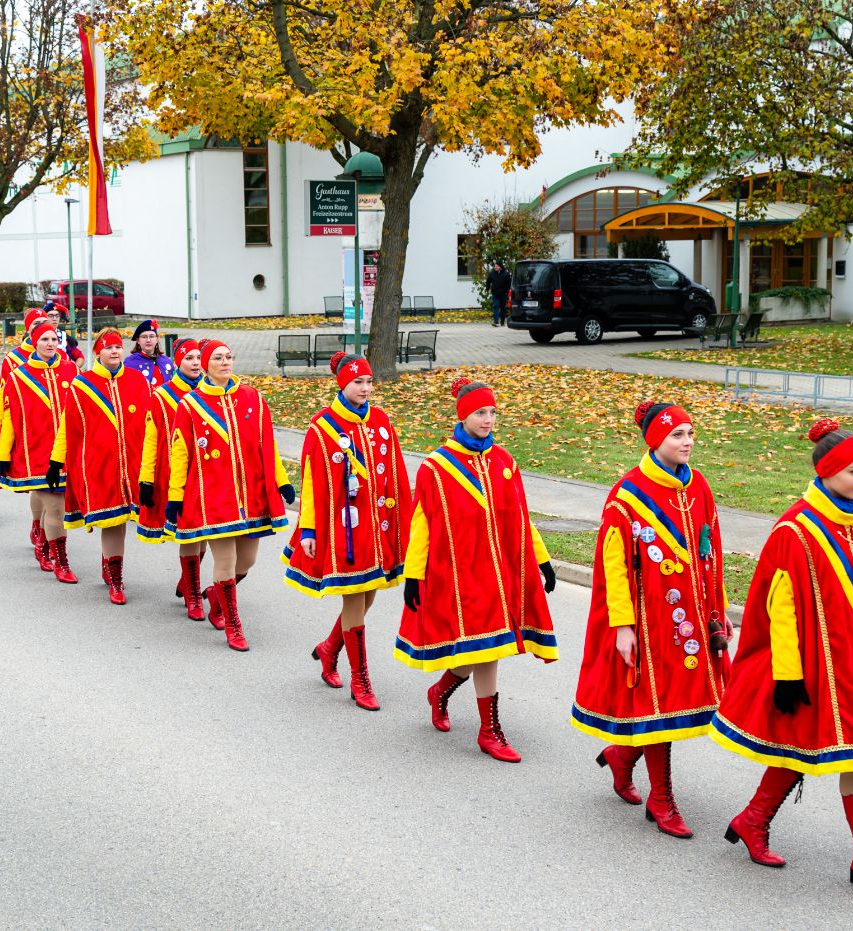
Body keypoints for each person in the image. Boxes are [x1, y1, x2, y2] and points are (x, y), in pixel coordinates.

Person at [712, 418, 853, 902]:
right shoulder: (796, 530)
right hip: (816, 667)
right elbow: (780, 608)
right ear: (827, 472)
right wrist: (787, 675)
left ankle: (753, 820)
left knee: (820, 747)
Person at [570, 401, 732, 838]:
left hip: (691, 618)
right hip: (649, 620)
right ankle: (662, 800)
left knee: (677, 702)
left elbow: (711, 550)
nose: (687, 442)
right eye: (677, 434)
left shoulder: (699, 486)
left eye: (691, 433)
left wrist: (719, 609)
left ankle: (622, 757)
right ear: (656, 439)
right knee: (659, 707)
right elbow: (614, 566)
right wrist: (623, 626)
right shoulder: (628, 495)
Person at [394, 377, 559, 762]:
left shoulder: (504, 462)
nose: (488, 419)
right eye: (480, 413)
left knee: (486, 649)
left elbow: (520, 517)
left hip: (500, 575)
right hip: (460, 576)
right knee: (484, 649)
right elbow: (422, 522)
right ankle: (488, 730)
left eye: (492, 412)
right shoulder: (437, 467)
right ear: (463, 416)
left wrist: (542, 559)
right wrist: (413, 574)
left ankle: (444, 695)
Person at [283, 352, 412, 711]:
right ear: (342, 384)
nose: (366, 388)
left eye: (369, 381)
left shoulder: (381, 420)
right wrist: (308, 529)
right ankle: (360, 678)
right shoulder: (322, 427)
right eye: (358, 382)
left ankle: (329, 649)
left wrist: (405, 519)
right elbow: (311, 482)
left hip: (379, 526)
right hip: (346, 531)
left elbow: (396, 473)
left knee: (368, 596)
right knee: (355, 598)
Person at [164, 339, 291, 649]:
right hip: (213, 497)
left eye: (229, 357)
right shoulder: (190, 404)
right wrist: (175, 495)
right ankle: (233, 623)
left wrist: (282, 481)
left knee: (247, 560)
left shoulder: (253, 398)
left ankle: (216, 595)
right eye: (218, 358)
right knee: (226, 559)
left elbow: (267, 444)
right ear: (206, 365)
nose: (225, 362)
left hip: (251, 495)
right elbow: (180, 453)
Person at [48, 328, 153, 605]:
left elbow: (151, 424)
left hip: (132, 465)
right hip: (100, 466)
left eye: (117, 347)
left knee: (124, 519)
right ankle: (116, 580)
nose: (114, 351)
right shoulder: (83, 385)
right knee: (111, 520)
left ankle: (109, 564)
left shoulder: (138, 381)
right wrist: (56, 460)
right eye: (108, 348)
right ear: (98, 352)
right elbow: (67, 426)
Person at [0, 319, 79, 581]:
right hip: (36, 453)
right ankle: (61, 562)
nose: (50, 344)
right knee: (55, 508)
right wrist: (3, 453)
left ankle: (42, 544)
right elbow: (10, 417)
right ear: (34, 342)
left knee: (57, 507)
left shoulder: (71, 371)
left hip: (67, 452)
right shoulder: (19, 377)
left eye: (53, 339)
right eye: (44, 339)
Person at [137, 337, 206, 621]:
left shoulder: (210, 390)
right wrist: (146, 479)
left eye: (198, 357)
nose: (195, 363)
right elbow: (151, 438)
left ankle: (188, 580)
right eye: (189, 358)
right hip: (176, 474)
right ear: (177, 362)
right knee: (189, 532)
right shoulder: (162, 395)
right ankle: (193, 594)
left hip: (208, 473)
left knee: (205, 534)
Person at [0, 309, 48, 386]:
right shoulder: (12, 358)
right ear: (27, 329)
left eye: (45, 323)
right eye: (36, 323)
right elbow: (5, 389)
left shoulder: (60, 355)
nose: (41, 326)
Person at [123, 319, 174, 389]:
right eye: (144, 337)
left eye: (152, 336)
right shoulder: (130, 363)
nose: (148, 340)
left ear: (156, 339)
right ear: (138, 340)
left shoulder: (166, 361)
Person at [485, 260, 510, 327]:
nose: (495, 267)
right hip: (495, 293)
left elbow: (509, 284)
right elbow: (488, 281)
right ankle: (496, 322)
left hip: (503, 294)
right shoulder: (492, 273)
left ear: (500, 267)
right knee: (496, 306)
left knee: (503, 308)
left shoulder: (506, 274)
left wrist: (508, 292)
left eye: (497, 266)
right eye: (495, 266)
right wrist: (487, 288)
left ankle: (502, 322)